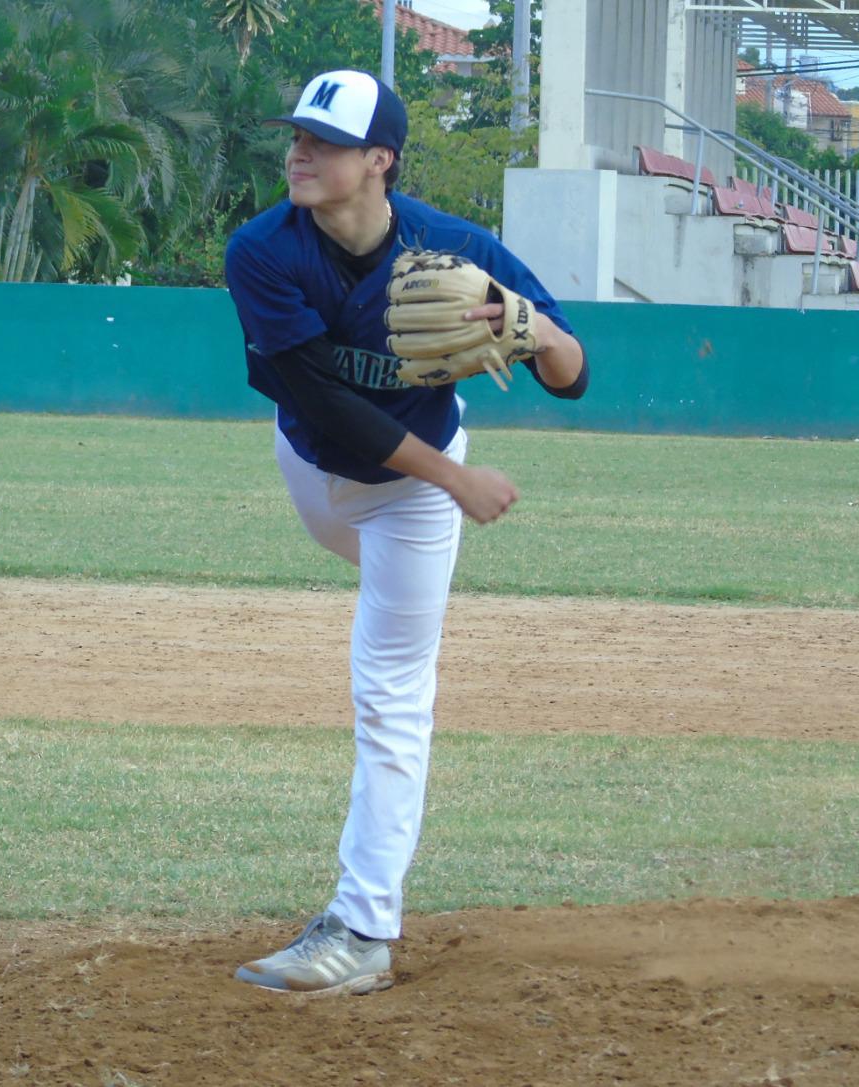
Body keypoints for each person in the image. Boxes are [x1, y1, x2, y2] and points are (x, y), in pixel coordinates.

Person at [223, 68, 588, 996]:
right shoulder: (264, 250)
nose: (298, 154)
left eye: (325, 142)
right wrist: (460, 478)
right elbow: (325, 407)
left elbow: (575, 373)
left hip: (411, 500)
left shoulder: (455, 247)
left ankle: (361, 928)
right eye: (296, 136)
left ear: (380, 160)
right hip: (318, 471)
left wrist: (531, 328)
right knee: (373, 576)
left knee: (390, 691)